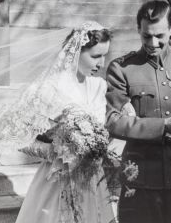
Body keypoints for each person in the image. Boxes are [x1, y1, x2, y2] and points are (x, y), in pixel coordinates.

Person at [106, 0, 171, 223]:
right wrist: (162, 127)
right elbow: (113, 121)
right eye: (146, 36)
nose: (153, 43)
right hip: (140, 182)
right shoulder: (122, 69)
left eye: (159, 36)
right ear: (139, 31)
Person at [15, 21, 115, 223]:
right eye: (96, 56)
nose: (102, 63)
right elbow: (19, 137)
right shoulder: (48, 88)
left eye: (105, 55)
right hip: (57, 179)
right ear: (77, 52)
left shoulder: (99, 86)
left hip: (92, 179)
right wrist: (55, 152)